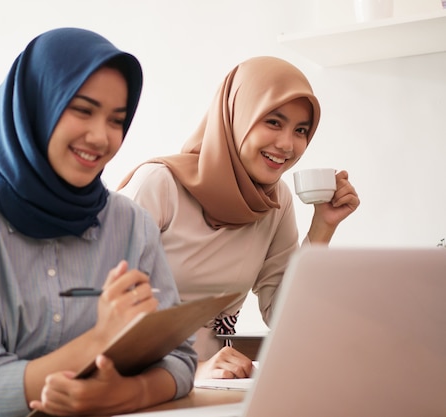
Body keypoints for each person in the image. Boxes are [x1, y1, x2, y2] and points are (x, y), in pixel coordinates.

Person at [0, 28, 196, 417]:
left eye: (117, 120)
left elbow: (179, 357)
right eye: (82, 109)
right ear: (38, 104)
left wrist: (120, 396)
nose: (101, 136)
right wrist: (102, 338)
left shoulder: (132, 225)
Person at [118, 56, 360, 380]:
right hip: (138, 380)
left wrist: (323, 226)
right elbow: (99, 308)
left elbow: (283, 314)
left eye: (301, 130)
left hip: (219, 384)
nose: (288, 144)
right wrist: (195, 368)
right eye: (273, 122)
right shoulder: (159, 185)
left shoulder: (276, 201)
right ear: (236, 116)